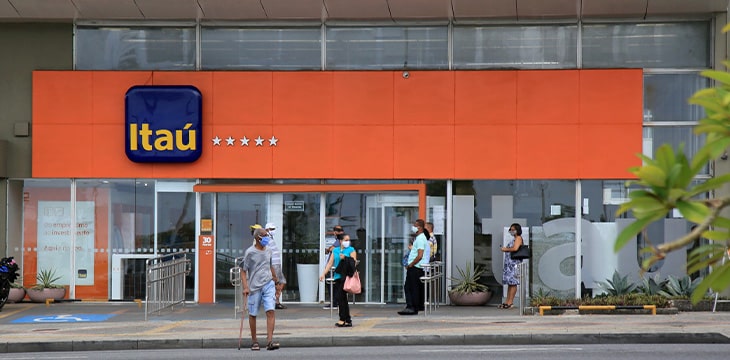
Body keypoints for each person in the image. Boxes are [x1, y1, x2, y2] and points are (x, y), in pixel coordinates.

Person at [241, 227, 280, 351]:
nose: (267, 237)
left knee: (270, 311)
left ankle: (269, 341)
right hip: (254, 286)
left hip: (268, 284)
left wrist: (275, 279)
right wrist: (246, 287)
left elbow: (269, 265)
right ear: (258, 238)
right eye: (265, 235)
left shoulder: (268, 250)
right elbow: (243, 271)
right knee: (253, 314)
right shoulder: (250, 252)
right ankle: (254, 341)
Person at [319, 233, 357, 327]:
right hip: (337, 276)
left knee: (340, 297)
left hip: (346, 276)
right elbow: (330, 263)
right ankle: (347, 319)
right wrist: (323, 274)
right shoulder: (335, 250)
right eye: (345, 240)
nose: (347, 242)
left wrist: (345, 258)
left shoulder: (351, 250)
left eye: (348, 240)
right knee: (342, 298)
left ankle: (342, 318)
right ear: (340, 241)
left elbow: (354, 262)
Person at [398, 219, 428, 315]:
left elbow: (420, 255)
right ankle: (417, 306)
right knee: (416, 288)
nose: (413, 228)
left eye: (415, 225)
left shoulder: (420, 239)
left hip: (415, 268)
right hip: (417, 267)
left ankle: (411, 307)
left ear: (419, 227)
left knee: (410, 287)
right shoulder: (420, 238)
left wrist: (410, 264)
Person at [499, 223, 523, 309]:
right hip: (510, 264)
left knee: (513, 283)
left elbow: (515, 248)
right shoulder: (514, 239)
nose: (512, 231)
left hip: (514, 264)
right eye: (511, 230)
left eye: (513, 230)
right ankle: (507, 301)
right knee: (510, 283)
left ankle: (510, 302)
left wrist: (505, 249)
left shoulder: (518, 238)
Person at [265, 222, 287, 310]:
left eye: (274, 229)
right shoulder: (266, 239)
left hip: (276, 264)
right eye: (272, 229)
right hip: (273, 264)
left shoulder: (270, 238)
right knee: (277, 282)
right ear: (267, 230)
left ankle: (276, 300)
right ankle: (275, 301)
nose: (274, 231)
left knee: (281, 282)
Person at [323, 225, 345, 309]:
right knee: (334, 285)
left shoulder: (340, 240)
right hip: (335, 265)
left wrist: (328, 249)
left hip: (334, 265)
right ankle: (336, 302)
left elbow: (332, 249)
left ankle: (334, 302)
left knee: (332, 285)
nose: (335, 233)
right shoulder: (341, 240)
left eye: (337, 231)